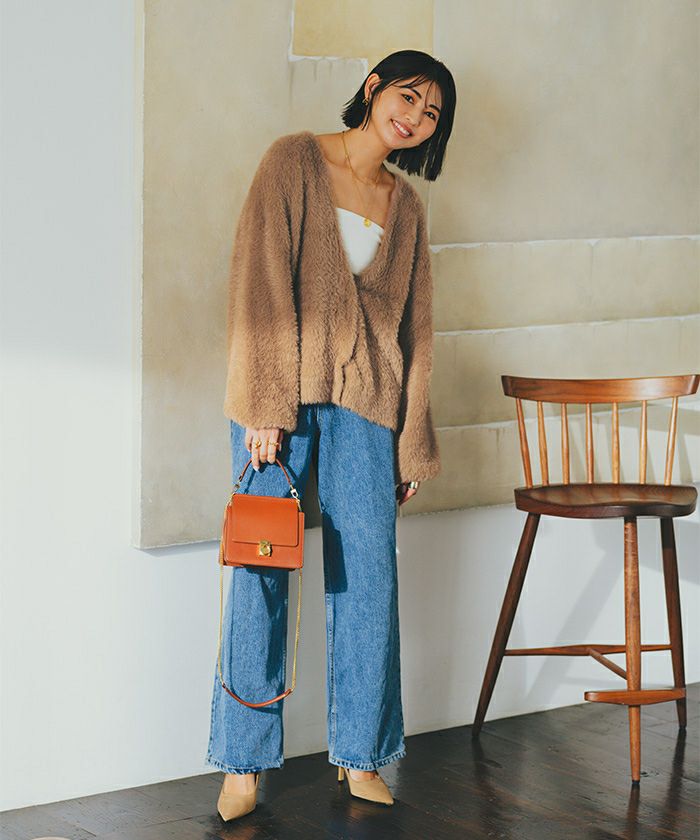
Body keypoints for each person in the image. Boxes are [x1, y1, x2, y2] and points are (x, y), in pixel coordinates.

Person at [206, 49, 456, 821]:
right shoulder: (292, 161)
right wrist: (264, 405)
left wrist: (411, 439)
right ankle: (243, 762)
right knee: (260, 576)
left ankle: (363, 755)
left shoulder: (406, 207)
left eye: (431, 114)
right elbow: (257, 282)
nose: (414, 118)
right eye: (408, 97)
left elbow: (417, 331)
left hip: (369, 406)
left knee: (369, 580)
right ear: (374, 88)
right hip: (278, 400)